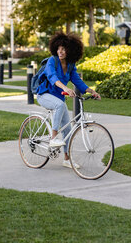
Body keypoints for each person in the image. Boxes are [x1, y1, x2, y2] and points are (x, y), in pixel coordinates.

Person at [36, 31, 101, 168]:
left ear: (70, 51)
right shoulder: (51, 61)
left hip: (58, 98)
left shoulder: (70, 65)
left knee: (67, 128)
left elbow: (78, 82)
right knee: (60, 106)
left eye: (64, 49)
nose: (61, 51)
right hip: (45, 95)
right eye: (59, 48)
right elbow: (52, 77)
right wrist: (65, 88)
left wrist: (91, 91)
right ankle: (53, 139)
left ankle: (66, 159)